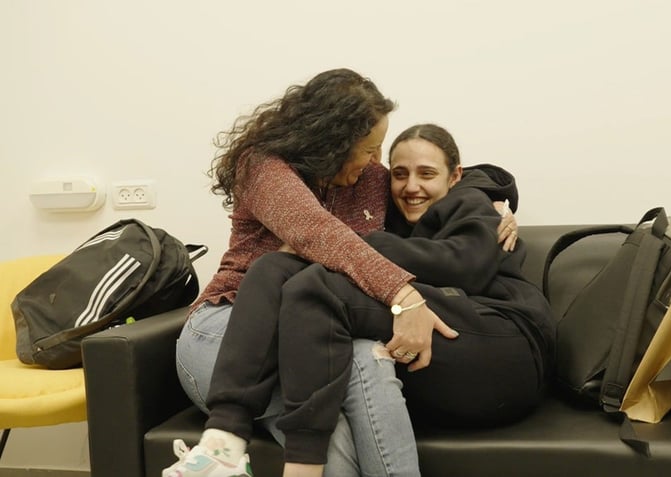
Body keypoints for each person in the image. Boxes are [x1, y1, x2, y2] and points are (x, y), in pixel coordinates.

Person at [164, 69, 519, 477]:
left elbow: (430, 177)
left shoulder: (368, 179)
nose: (376, 161)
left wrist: (488, 199)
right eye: (369, 149)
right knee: (330, 434)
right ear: (332, 143)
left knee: (369, 358)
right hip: (230, 327)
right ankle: (221, 451)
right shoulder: (263, 167)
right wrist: (403, 295)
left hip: (312, 328)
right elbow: (317, 232)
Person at [264, 123, 556, 475]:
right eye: (399, 174)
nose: (411, 186)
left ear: (455, 176)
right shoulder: (393, 213)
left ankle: (269, 448)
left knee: (319, 287)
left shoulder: (470, 201)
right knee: (303, 285)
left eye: (426, 174)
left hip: (507, 338)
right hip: (459, 350)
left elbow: (465, 267)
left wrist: (353, 244)